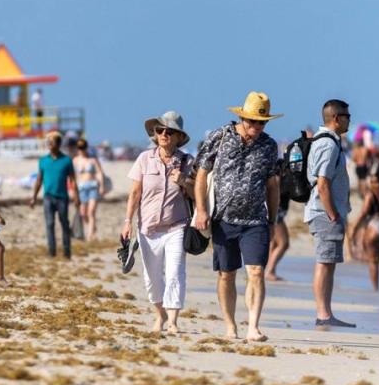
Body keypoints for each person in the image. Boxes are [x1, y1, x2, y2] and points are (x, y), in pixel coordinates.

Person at [194, 92, 281, 342]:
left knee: (256, 271)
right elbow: (201, 174)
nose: (257, 127)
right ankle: (230, 325)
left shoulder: (269, 146)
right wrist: (201, 210)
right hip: (223, 218)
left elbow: (272, 184)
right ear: (242, 117)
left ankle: (253, 326)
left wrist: (273, 220)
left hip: (256, 220)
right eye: (253, 121)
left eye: (262, 122)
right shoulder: (220, 137)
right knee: (226, 273)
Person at [123, 112, 195, 334]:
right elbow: (135, 193)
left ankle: (173, 321)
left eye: (169, 131)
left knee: (175, 273)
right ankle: (159, 315)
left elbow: (196, 194)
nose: (164, 134)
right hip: (148, 229)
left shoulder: (187, 161)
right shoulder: (144, 159)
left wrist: (183, 181)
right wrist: (127, 222)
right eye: (160, 130)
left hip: (176, 226)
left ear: (178, 137)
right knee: (152, 278)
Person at [304, 99, 355, 327]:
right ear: (336, 118)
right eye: (347, 116)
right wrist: (333, 213)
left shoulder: (329, 141)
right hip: (324, 213)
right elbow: (322, 182)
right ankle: (323, 314)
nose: (349, 119)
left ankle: (326, 313)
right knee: (324, 262)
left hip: (326, 211)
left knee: (329, 263)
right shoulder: (328, 144)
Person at [30, 131, 80, 258]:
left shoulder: (67, 160)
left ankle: (67, 252)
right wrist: (34, 197)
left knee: (64, 223)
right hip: (48, 197)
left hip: (62, 198)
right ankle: (52, 252)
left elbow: (73, 180)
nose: (49, 144)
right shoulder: (43, 161)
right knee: (50, 224)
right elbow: (39, 180)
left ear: (58, 144)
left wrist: (76, 197)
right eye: (48, 142)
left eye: (52, 142)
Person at [350, 165, 379, 291]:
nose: (371, 183)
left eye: (373, 181)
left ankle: (375, 289)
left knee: (373, 261)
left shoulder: (370, 195)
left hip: (374, 226)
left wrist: (355, 228)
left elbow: (363, 213)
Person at [74, 138, 107, 240]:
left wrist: (101, 186)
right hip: (81, 188)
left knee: (91, 212)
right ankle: (93, 228)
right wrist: (72, 189)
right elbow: (72, 176)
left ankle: (90, 236)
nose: (81, 150)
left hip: (93, 186)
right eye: (79, 148)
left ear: (86, 148)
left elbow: (99, 173)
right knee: (83, 213)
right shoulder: (75, 160)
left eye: (83, 147)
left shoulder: (93, 160)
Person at [265, 185, 291, 282]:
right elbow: (275, 184)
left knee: (274, 244)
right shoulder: (279, 171)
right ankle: (269, 271)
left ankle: (270, 270)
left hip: (278, 208)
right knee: (283, 243)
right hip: (276, 209)